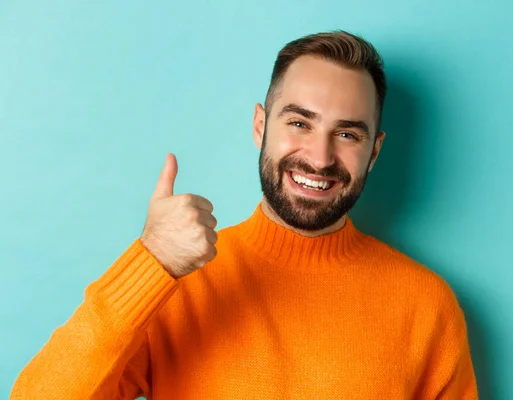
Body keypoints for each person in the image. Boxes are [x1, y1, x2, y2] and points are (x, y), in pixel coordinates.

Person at [11, 31, 478, 399]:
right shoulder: (176, 285)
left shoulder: (426, 307)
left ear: (374, 152)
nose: (319, 157)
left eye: (348, 134)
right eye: (299, 123)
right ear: (260, 126)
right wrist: (149, 264)